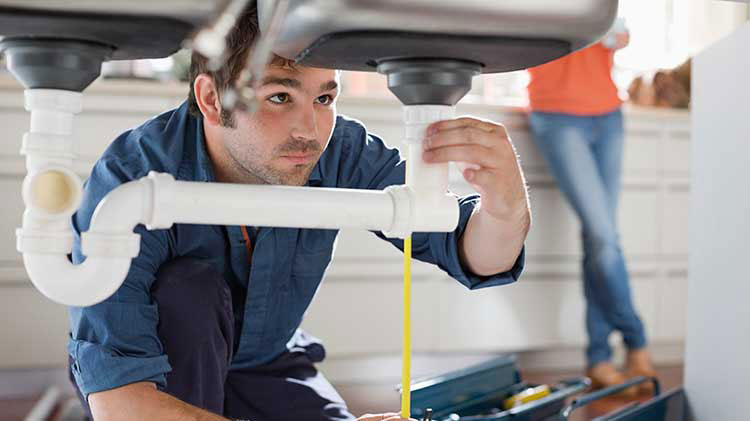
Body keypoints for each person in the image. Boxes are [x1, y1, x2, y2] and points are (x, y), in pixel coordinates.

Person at [67, 6, 530, 421]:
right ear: (210, 99)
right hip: (159, 376)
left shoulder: (339, 150)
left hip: (268, 365)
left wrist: (506, 206)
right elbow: (119, 400)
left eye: (324, 99)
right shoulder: (132, 178)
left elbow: (475, 253)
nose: (310, 131)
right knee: (190, 290)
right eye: (279, 97)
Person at [526, 24, 656, 393]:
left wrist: (611, 31)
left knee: (597, 240)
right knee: (604, 235)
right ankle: (637, 340)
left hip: (608, 114)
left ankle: (599, 357)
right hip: (557, 114)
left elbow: (622, 36)